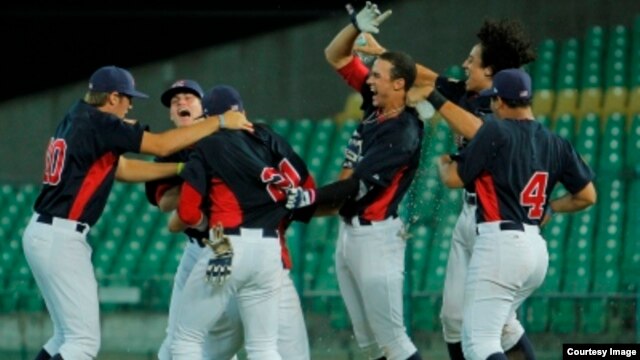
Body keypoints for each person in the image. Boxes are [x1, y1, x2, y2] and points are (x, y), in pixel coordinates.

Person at [23, 65, 252, 360]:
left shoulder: (78, 115)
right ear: (113, 97)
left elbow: (123, 168)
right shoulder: (101, 124)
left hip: (45, 231)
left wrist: (182, 169)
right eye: (128, 98)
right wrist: (221, 121)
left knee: (65, 337)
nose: (130, 104)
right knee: (82, 343)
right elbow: (161, 144)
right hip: (61, 235)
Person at [357, 18, 539, 359]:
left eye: (473, 59)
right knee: (454, 318)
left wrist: (436, 101)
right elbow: (425, 78)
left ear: (491, 71)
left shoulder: (502, 108)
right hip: (474, 216)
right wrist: (382, 54)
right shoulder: (468, 92)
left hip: (499, 219)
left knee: (497, 327)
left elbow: (479, 133)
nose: (465, 63)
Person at [427, 68, 597, 360]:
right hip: (535, 250)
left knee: (479, 344)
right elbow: (587, 196)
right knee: (503, 327)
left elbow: (454, 178)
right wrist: (551, 207)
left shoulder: (495, 130)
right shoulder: (556, 142)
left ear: (501, 102)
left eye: (494, 101)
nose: (492, 107)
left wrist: (443, 163)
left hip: (500, 245)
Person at [286, 3, 424, 359]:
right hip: (351, 233)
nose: (369, 79)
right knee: (370, 344)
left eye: (377, 75)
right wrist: (353, 26)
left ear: (399, 84)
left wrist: (305, 199)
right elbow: (335, 55)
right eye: (372, 74)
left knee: (395, 343)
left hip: (377, 238)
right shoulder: (379, 104)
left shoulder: (403, 133)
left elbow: (355, 186)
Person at [147, 82, 311, 360]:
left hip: (223, 245)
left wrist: (202, 200)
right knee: (264, 347)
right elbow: (305, 192)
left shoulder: (208, 146)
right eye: (175, 101)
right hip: (267, 248)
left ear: (205, 112)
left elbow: (181, 217)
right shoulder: (266, 139)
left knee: (185, 339)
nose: (181, 103)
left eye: (189, 98)